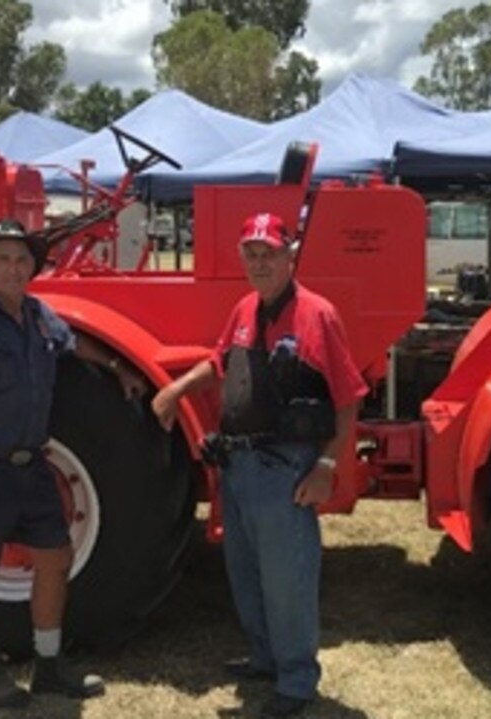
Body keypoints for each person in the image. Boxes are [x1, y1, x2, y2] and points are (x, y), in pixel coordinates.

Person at [0, 219, 147, 709]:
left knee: (55, 560)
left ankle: (49, 666)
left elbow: (73, 344)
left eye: (22, 260)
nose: (14, 269)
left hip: (32, 466)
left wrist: (119, 367)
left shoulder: (39, 316)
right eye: (4, 259)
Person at [151, 212, 367, 718]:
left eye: (269, 252)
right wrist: (176, 389)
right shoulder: (245, 308)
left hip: (286, 467)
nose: (259, 262)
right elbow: (221, 362)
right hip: (240, 464)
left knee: (287, 579)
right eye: (251, 253)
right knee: (246, 572)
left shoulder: (317, 314)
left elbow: (348, 398)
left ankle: (296, 681)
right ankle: (265, 658)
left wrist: (327, 465)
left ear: (290, 256)